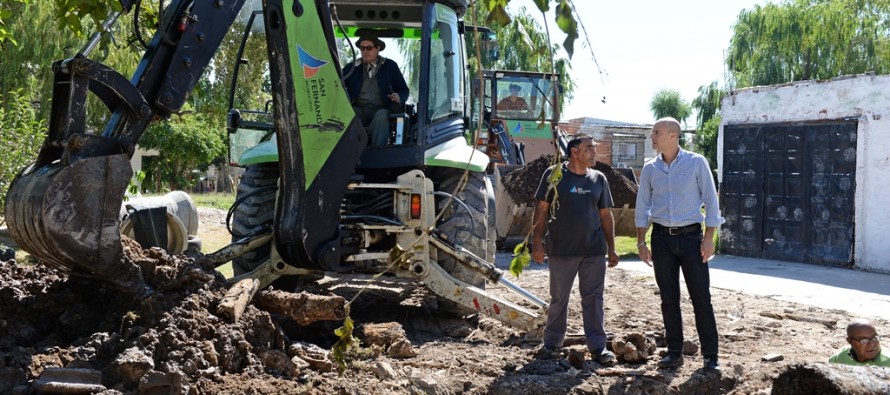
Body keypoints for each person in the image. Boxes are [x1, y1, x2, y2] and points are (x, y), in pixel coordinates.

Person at [635, 117, 725, 372]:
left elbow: (711, 199)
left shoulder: (697, 163)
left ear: (673, 135)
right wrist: (641, 241)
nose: (652, 137)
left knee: (701, 298)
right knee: (668, 298)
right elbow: (642, 206)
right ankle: (674, 352)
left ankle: (711, 356)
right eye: (653, 132)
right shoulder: (651, 169)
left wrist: (709, 237)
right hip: (661, 239)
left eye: (657, 132)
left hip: (691, 239)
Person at [531, 136, 620, 365]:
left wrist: (612, 248)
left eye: (594, 148)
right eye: (589, 148)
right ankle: (552, 345)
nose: (594, 152)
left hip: (593, 251)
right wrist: (537, 242)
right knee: (559, 299)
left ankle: (598, 347)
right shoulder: (555, 175)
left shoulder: (598, 179)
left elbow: (605, 215)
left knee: (593, 299)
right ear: (573, 152)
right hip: (562, 250)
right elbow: (542, 209)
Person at [342, 33, 409, 146]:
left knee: (382, 117)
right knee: (346, 115)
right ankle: (349, 154)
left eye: (369, 47)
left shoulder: (390, 66)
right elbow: (337, 87)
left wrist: (398, 97)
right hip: (359, 109)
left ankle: (379, 152)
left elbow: (404, 90)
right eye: (362, 48)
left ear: (378, 49)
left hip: (380, 109)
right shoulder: (351, 67)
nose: (365, 51)